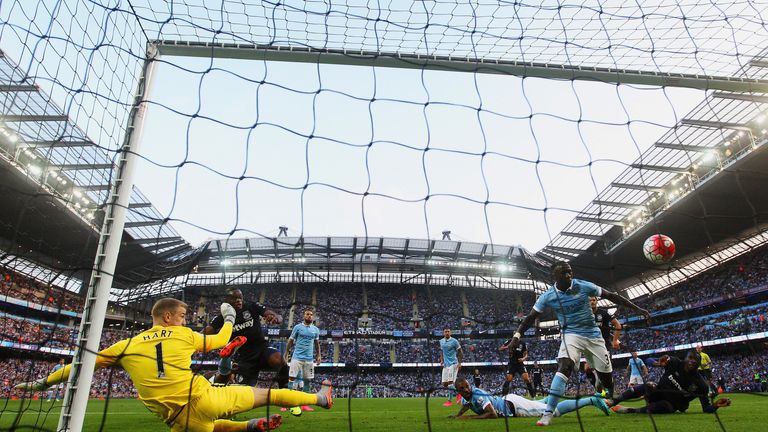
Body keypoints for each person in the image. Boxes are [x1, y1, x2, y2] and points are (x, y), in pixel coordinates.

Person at [15, 298, 333, 432]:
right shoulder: (183, 335)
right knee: (268, 395)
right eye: (181, 315)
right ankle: (320, 398)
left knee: (206, 427)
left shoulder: (125, 346)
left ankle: (247, 427)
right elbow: (222, 338)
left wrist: (42, 384)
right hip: (203, 396)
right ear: (167, 317)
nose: (185, 319)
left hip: (175, 418)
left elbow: (80, 366)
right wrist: (230, 317)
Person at [509, 261, 650, 426]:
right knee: (564, 366)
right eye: (564, 273)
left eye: (570, 271)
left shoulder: (584, 286)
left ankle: (609, 394)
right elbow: (530, 318)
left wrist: (638, 309)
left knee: (607, 380)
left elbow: (612, 296)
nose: (569, 275)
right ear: (554, 276)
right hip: (571, 335)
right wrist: (517, 336)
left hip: (593, 335)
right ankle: (548, 414)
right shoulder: (548, 296)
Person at [205, 289, 288, 388]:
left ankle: (284, 387)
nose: (238, 300)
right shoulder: (221, 319)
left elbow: (272, 314)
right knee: (245, 392)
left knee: (278, 359)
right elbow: (205, 332)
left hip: (261, 349)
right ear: (226, 300)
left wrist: (276, 317)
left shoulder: (251, 307)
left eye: (240, 298)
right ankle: (213, 377)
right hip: (244, 358)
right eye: (234, 298)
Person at [610, 351, 731, 414]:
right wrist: (657, 363)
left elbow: (706, 408)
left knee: (666, 406)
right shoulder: (674, 362)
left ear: (699, 363)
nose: (692, 361)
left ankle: (630, 410)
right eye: (690, 358)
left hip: (671, 404)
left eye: (696, 360)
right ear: (685, 358)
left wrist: (715, 405)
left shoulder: (701, 385)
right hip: (655, 393)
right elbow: (648, 359)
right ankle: (613, 401)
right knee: (650, 385)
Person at [448, 377, 609, 420]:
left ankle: (592, 400)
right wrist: (458, 415)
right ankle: (549, 397)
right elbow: (466, 405)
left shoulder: (477, 395)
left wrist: (468, 418)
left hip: (515, 407)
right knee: (539, 403)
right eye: (463, 389)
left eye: (468, 386)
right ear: (458, 391)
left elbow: (492, 414)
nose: (467, 389)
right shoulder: (466, 398)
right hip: (510, 400)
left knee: (554, 412)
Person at [283, 308, 321, 415]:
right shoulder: (297, 327)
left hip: (309, 359)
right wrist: (286, 354)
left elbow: (317, 344)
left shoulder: (315, 330)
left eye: (311, 315)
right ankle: (288, 403)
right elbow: (290, 341)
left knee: (308, 380)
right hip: (297, 357)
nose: (309, 316)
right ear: (304, 316)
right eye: (307, 314)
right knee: (291, 378)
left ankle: (304, 405)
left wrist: (318, 355)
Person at [585, 296, 622, 393]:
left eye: (593, 300)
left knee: (607, 374)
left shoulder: (604, 313)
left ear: (597, 301)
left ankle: (611, 395)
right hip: (590, 347)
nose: (592, 302)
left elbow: (617, 325)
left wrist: (614, 340)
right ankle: (598, 387)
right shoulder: (583, 314)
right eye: (589, 300)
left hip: (604, 346)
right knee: (587, 368)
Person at [439, 328, 462, 407]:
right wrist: (441, 360)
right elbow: (441, 351)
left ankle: (449, 401)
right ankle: (459, 392)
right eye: (445, 331)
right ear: (443, 333)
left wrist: (459, 363)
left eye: (448, 331)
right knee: (444, 383)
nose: (447, 333)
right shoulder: (441, 341)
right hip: (446, 365)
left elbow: (460, 352)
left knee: (450, 382)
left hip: (453, 364)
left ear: (450, 332)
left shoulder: (454, 341)